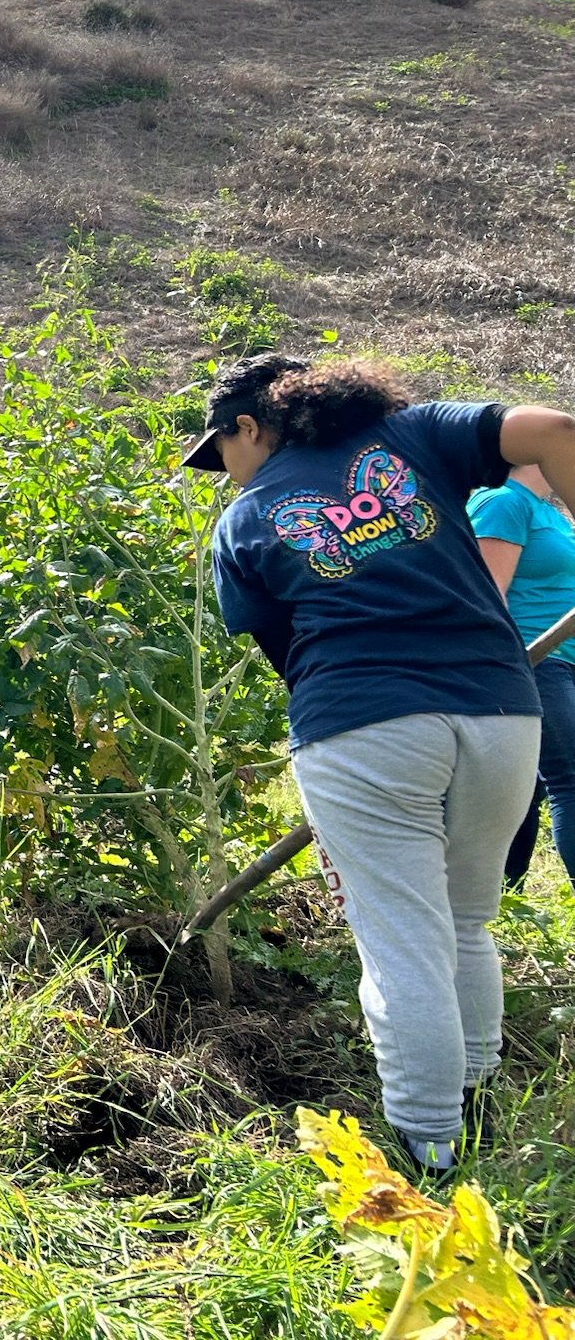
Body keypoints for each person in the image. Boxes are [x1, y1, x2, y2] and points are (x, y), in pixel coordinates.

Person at [184, 352, 575, 1171]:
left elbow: (283, 650)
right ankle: (474, 1112)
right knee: (465, 922)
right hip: (502, 710)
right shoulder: (413, 435)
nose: (223, 475)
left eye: (220, 453)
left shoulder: (248, 517)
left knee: (402, 938)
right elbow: (555, 431)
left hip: (359, 720)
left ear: (248, 427)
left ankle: (430, 1154)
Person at [469, 462, 575, 890]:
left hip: (565, 661)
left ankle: (501, 893)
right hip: (533, 660)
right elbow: (484, 595)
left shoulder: (550, 510)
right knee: (570, 776)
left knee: (527, 784)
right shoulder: (502, 501)